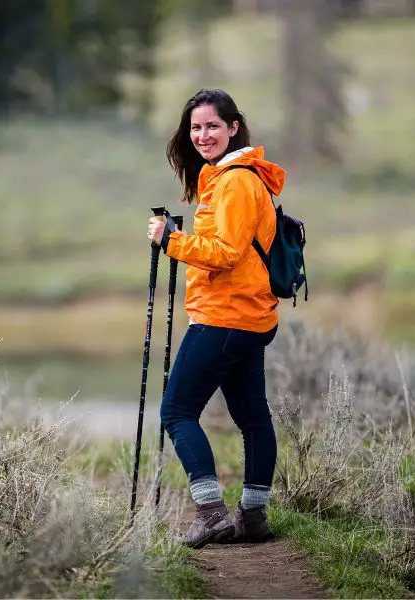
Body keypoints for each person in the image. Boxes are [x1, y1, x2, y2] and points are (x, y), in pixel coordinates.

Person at [146, 88, 286, 549]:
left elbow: (224, 254)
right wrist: (184, 238)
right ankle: (253, 516)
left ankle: (211, 514)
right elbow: (231, 246)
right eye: (195, 127)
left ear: (233, 127)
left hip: (224, 317)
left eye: (211, 126)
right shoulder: (228, 178)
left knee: (177, 411)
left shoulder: (235, 182)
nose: (202, 135)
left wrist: (172, 241)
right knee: (252, 417)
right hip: (246, 315)